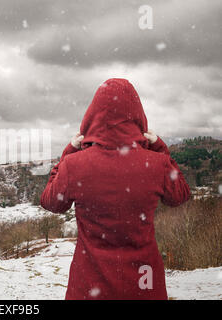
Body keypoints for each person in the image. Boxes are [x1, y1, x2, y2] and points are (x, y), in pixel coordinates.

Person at [40, 78, 191, 300]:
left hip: (89, 284)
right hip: (144, 281)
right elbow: (180, 195)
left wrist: (68, 154)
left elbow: (51, 202)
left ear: (92, 117)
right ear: (138, 116)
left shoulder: (75, 165)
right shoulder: (156, 164)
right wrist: (159, 148)